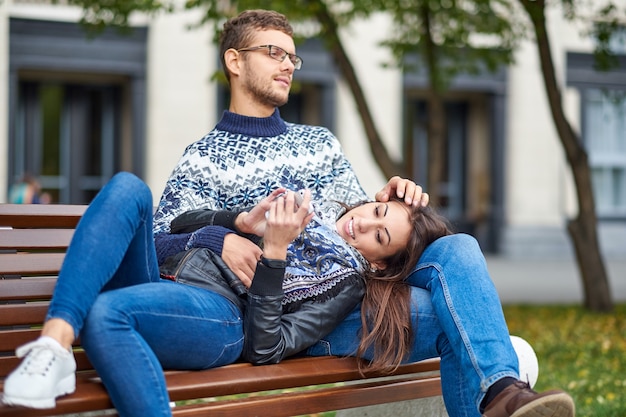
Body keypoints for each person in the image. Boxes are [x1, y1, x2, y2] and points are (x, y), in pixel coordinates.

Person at [151, 9, 575, 417]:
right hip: (300, 313)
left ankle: (503, 391)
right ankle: (503, 389)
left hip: (359, 285)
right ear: (235, 61)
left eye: (292, 57)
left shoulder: (319, 142)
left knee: (458, 245)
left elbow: (353, 226)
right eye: (273, 53)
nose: (288, 66)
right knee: (456, 321)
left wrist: (387, 203)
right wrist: (218, 237)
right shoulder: (203, 158)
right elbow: (155, 239)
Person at [1, 171, 448, 415]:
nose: (363, 223)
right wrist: (238, 224)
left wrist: (273, 252)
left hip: (219, 314)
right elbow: (173, 227)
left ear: (377, 262)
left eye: (379, 235)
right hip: (159, 280)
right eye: (375, 211)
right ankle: (53, 345)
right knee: (129, 188)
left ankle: (54, 348)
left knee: (106, 313)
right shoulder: (300, 212)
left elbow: (266, 346)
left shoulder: (346, 284)